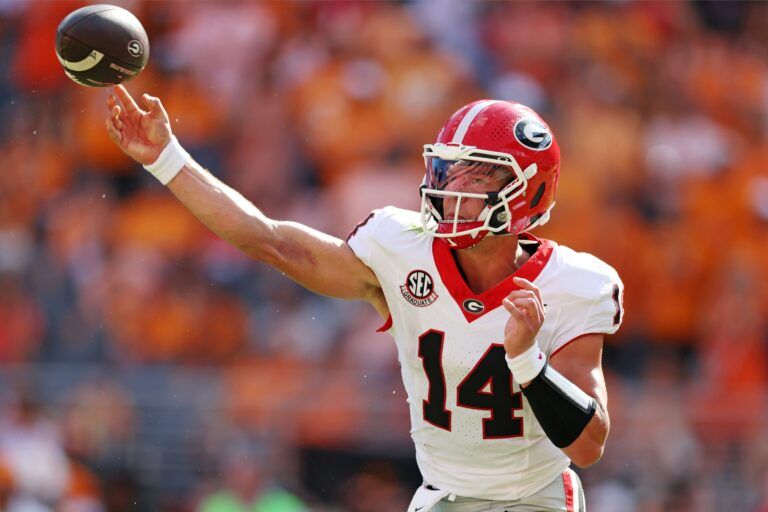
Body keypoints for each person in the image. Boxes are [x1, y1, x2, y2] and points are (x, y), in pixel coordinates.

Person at [106, 89, 624, 512]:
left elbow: (588, 446)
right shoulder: (403, 249)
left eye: (477, 175)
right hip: (442, 495)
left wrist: (528, 361)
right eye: (449, 171)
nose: (451, 188)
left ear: (527, 193)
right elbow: (270, 239)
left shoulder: (572, 284)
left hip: (534, 499)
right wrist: (168, 158)